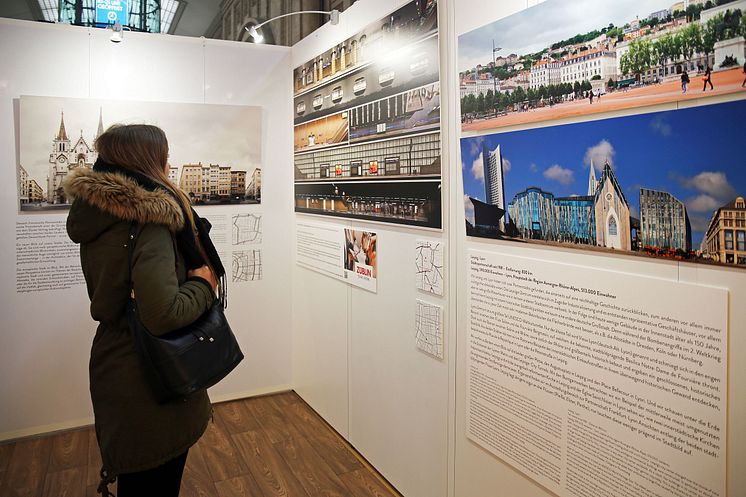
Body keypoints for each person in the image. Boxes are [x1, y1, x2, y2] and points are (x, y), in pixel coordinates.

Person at [64, 124, 224, 497]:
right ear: (149, 162)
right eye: (164, 156)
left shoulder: (98, 215)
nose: (169, 165)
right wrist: (204, 283)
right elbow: (163, 313)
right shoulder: (149, 221)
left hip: (118, 364)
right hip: (150, 380)